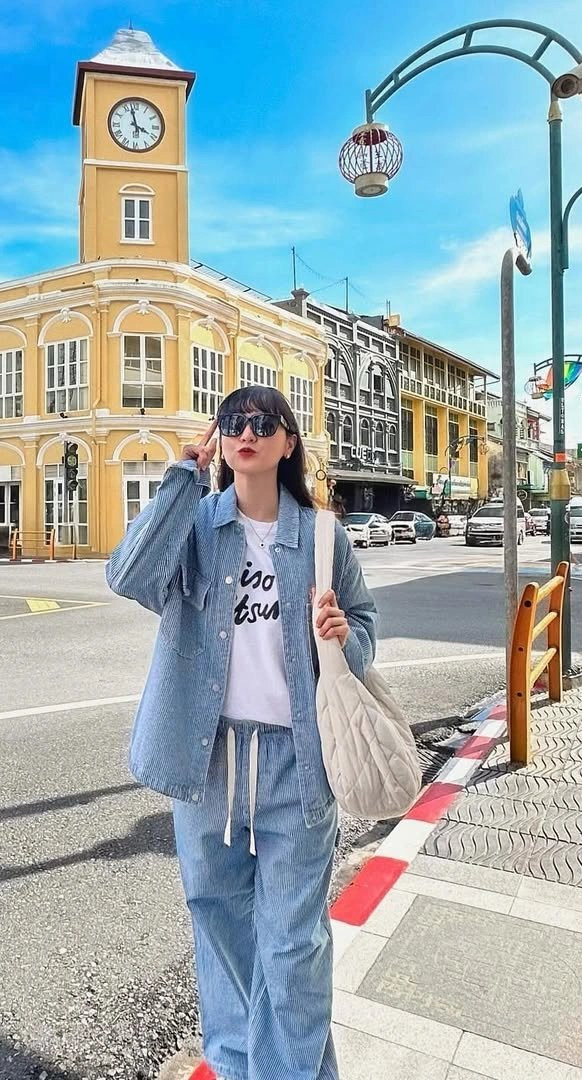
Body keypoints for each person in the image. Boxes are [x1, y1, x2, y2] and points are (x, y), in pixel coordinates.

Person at [106, 385, 378, 1080]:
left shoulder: (322, 535)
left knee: (291, 945)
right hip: (209, 762)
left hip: (298, 762)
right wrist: (182, 476)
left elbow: (366, 628)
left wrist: (345, 637)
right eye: (233, 421)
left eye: (262, 423)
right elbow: (129, 576)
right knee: (221, 928)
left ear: (288, 442)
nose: (245, 432)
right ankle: (241, 1068)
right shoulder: (196, 525)